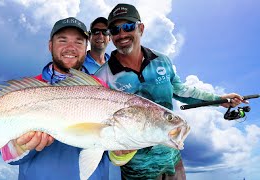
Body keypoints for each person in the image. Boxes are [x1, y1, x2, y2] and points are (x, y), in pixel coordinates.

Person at [95, 3, 247, 180]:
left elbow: (181, 90)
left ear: (141, 28)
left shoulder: (161, 61)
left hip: (173, 162)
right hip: (137, 171)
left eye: (128, 26)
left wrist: (218, 99)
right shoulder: (103, 76)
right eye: (114, 30)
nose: (122, 34)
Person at [0, 17, 119, 180]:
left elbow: (111, 150)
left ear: (86, 48)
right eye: (63, 40)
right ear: (50, 45)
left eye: (78, 42)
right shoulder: (28, 90)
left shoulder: (101, 89)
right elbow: (6, 155)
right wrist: (21, 145)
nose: (70, 48)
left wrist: (121, 154)